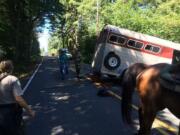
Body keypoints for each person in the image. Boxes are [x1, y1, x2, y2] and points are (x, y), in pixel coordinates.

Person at [0, 60, 35, 135]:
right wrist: (29, 110)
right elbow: (18, 99)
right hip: (11, 112)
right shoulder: (13, 79)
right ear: (11, 68)